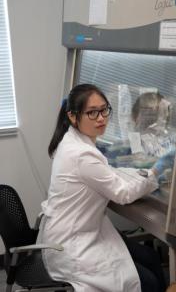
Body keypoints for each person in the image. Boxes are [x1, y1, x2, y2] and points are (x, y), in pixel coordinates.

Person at [39, 84, 166, 292]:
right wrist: (156, 172)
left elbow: (104, 174)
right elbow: (122, 194)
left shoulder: (74, 140)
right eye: (92, 113)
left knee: (150, 257)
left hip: (82, 231)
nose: (101, 118)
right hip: (74, 246)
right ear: (72, 116)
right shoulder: (81, 154)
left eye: (104, 109)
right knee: (148, 282)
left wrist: (135, 172)